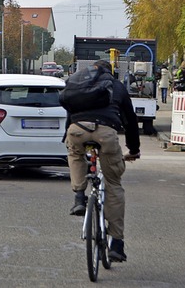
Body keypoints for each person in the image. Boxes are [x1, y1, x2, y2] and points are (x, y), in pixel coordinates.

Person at [63, 59, 141, 262]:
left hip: (77, 130)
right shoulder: (116, 86)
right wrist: (134, 149)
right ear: (110, 72)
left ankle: (79, 197)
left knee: (75, 155)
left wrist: (67, 136)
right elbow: (130, 120)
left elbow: (70, 113)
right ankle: (116, 243)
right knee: (113, 184)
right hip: (105, 133)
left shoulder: (79, 82)